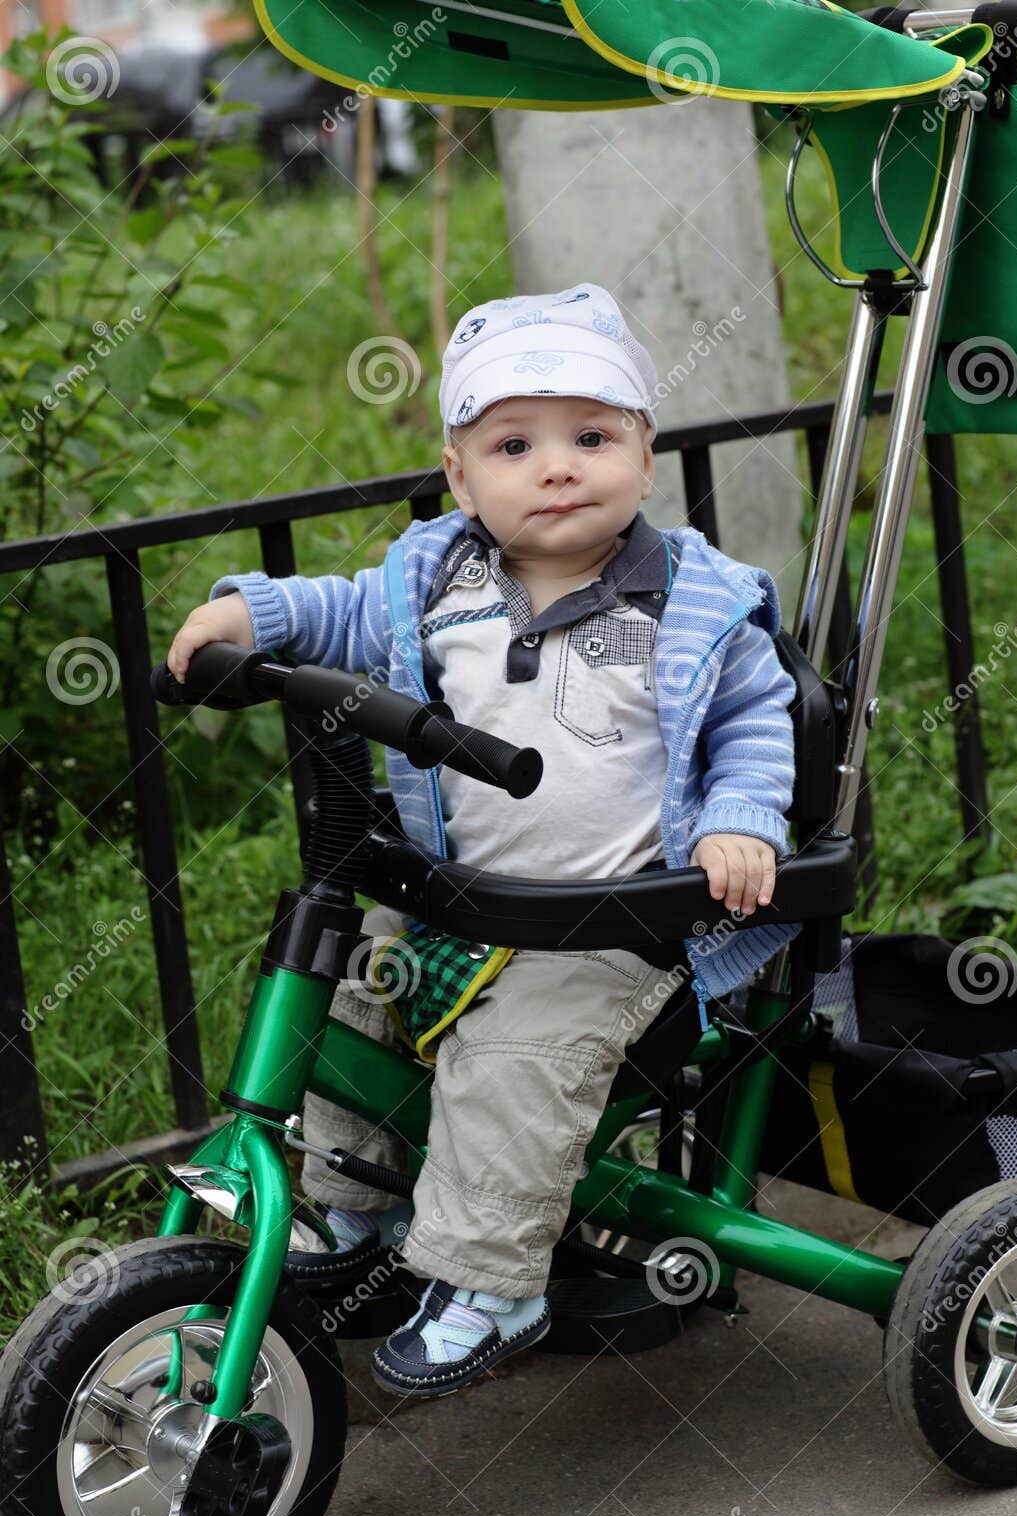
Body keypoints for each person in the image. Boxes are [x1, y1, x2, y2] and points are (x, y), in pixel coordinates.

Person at [165, 281, 801, 1400]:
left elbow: (754, 718)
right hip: (456, 906)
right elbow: (332, 609)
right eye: (514, 444)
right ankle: (359, 1214)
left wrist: (742, 822)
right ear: (460, 477)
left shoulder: (691, 606)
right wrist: (244, 621)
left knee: (510, 1073)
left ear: (643, 457)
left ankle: (489, 1278)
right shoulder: (434, 581)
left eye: (591, 436)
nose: (556, 466)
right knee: (354, 1003)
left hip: (615, 930)